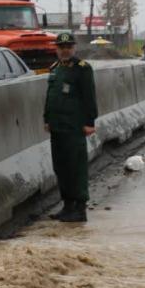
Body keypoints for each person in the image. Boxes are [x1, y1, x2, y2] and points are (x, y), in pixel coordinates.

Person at [44, 32, 98, 222]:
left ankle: (80, 208)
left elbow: (89, 97)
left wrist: (90, 122)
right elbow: (50, 97)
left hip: (74, 127)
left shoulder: (82, 69)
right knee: (61, 167)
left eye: (68, 47)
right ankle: (67, 206)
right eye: (61, 47)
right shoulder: (55, 69)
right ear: (56, 49)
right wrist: (47, 119)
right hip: (57, 128)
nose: (65, 50)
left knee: (76, 168)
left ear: (74, 48)